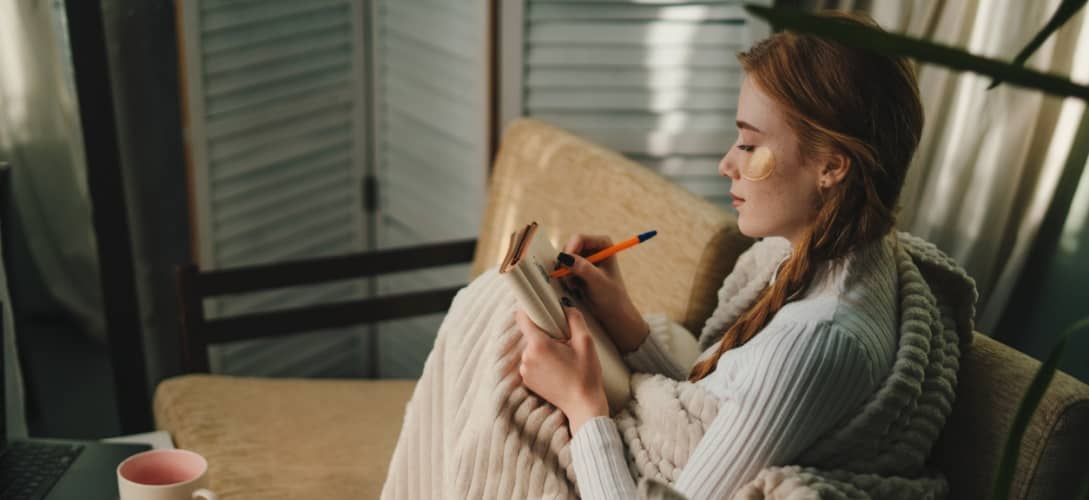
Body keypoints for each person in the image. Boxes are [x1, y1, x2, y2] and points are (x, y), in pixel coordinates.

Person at [515, 11, 930, 500]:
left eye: (750, 144)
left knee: (500, 332)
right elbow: (718, 404)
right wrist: (624, 321)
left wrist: (582, 404)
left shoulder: (821, 341)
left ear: (831, 166)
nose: (726, 163)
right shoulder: (821, 256)